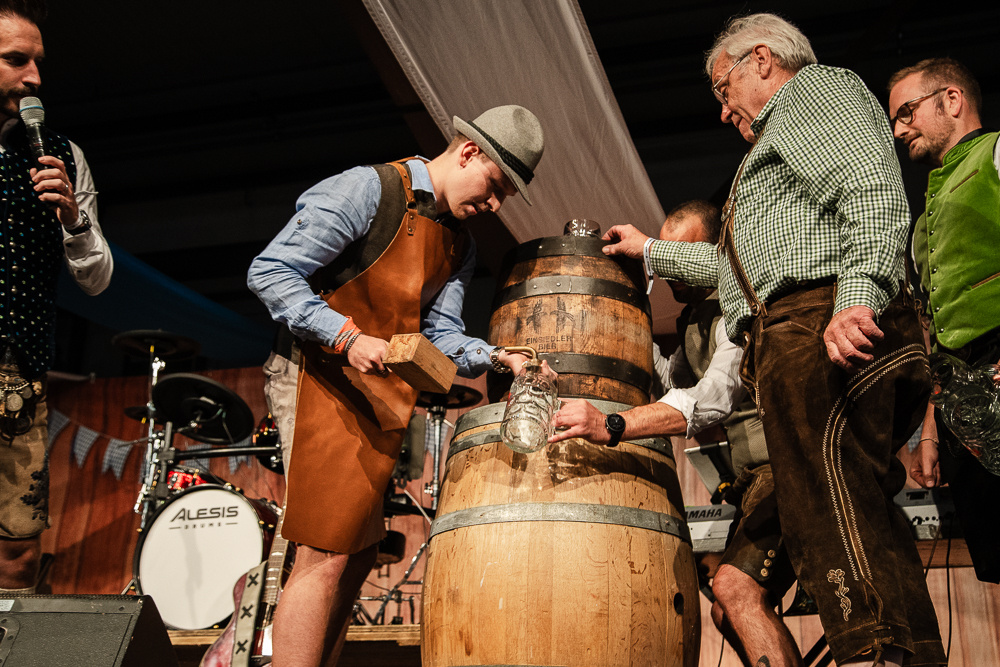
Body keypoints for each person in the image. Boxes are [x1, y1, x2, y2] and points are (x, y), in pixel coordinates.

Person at [583, 14, 947, 667]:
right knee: (850, 497)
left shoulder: (812, 93)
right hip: (798, 322)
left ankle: (871, 653)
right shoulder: (779, 148)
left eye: (725, 89)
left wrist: (856, 296)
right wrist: (652, 250)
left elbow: (869, 184)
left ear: (762, 60)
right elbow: (729, 273)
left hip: (818, 318)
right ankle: (905, 653)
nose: (724, 110)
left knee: (826, 498)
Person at [247, 104, 545, 666]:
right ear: (468, 151)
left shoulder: (461, 244)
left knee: (358, 557)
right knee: (326, 548)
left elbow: (442, 336)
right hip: (319, 377)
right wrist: (345, 338)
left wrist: (498, 356)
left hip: (380, 394)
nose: (495, 203)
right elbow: (270, 271)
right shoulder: (369, 190)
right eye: (496, 184)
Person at [553, 200, 799, 667]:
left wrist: (612, 425)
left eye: (679, 256)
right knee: (729, 612)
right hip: (752, 481)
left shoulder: (735, 311)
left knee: (734, 589)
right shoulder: (693, 319)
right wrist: (621, 325)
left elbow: (711, 399)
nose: (669, 270)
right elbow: (674, 382)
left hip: (784, 469)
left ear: (710, 253)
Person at [0, 0, 112, 596]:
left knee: (18, 551)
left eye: (38, 63)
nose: (35, 77)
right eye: (16, 61)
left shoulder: (63, 155)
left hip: (18, 378)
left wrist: (73, 217)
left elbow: (97, 279)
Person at [888, 57, 1000, 584]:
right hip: (962, 408)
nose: (897, 129)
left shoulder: (997, 154)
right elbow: (934, 334)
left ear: (951, 101)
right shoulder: (921, 221)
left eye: (906, 112)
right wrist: (931, 432)